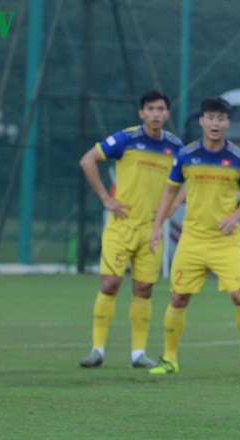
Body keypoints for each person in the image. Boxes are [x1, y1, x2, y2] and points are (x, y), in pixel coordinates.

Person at [147, 97, 240, 376]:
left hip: (225, 241)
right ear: (202, 121)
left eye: (221, 118)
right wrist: (156, 227)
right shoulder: (186, 155)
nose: (215, 123)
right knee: (178, 298)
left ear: (227, 123)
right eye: (210, 117)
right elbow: (170, 192)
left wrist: (235, 216)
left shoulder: (238, 158)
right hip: (192, 240)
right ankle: (169, 359)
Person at [78, 90, 184, 369]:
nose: (156, 114)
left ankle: (138, 354)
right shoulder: (126, 139)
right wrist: (106, 198)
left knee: (144, 288)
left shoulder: (175, 146)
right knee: (110, 283)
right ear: (141, 113)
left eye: (161, 109)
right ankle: (97, 350)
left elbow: (188, 180)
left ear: (168, 113)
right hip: (121, 226)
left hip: (151, 230)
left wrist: (170, 211)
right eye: (150, 109)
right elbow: (88, 160)